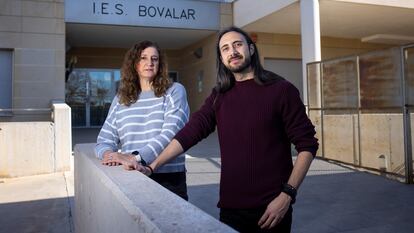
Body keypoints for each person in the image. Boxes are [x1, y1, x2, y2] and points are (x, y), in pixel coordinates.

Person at [137, 27, 318, 232]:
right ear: (221, 58)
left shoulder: (281, 90)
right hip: (230, 209)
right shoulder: (219, 96)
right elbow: (189, 133)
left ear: (251, 49)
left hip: (272, 208)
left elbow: (308, 144)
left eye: (237, 45)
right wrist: (152, 166)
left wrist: (288, 195)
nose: (232, 51)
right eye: (225, 48)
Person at [95, 40, 190, 200]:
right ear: (134, 64)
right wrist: (109, 154)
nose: (149, 63)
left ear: (160, 64)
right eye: (143, 58)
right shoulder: (121, 99)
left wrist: (135, 157)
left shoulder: (174, 91)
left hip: (168, 177)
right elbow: (104, 139)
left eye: (155, 58)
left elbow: (171, 135)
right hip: (131, 175)